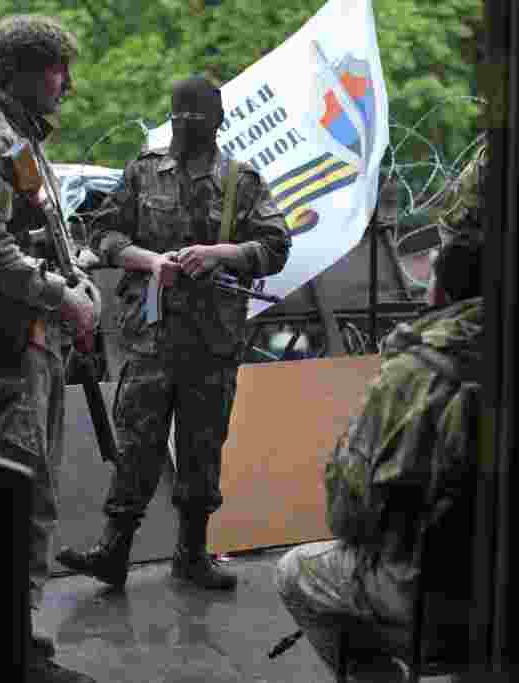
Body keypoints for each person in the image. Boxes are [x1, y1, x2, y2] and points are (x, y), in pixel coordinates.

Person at [56, 75, 292, 591]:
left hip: (212, 338)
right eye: (179, 118)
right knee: (136, 443)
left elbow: (276, 246)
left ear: (217, 121)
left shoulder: (241, 181)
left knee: (201, 446)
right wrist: (147, 260)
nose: (186, 128)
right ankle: (113, 551)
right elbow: (105, 234)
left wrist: (220, 254)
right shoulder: (142, 173)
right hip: (151, 335)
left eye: (197, 119)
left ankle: (192, 554)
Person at [0, 14, 99, 683]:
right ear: (25, 72)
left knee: (29, 498)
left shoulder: (16, 137)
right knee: (9, 502)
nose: (67, 82)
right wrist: (62, 297)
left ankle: (16, 641)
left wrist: (75, 275)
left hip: (26, 345)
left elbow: (32, 232)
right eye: (57, 68)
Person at [274, 234, 484, 676]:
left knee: (296, 571)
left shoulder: (413, 372)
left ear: (440, 293)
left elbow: (349, 514)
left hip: (436, 603)